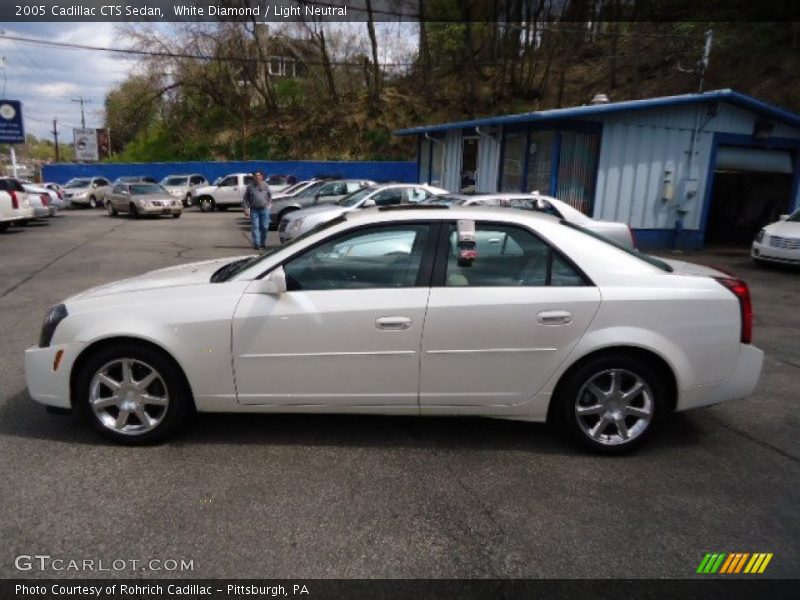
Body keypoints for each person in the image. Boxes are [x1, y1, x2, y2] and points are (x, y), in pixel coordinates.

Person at [243, 170, 272, 250]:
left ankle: (262, 243)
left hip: (264, 209)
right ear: (253, 177)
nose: (257, 177)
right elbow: (245, 198)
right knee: (255, 227)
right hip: (254, 210)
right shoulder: (250, 186)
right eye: (255, 176)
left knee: (265, 227)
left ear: (262, 177)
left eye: (259, 176)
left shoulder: (265, 185)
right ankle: (257, 244)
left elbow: (270, 195)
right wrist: (245, 208)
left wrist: (269, 204)